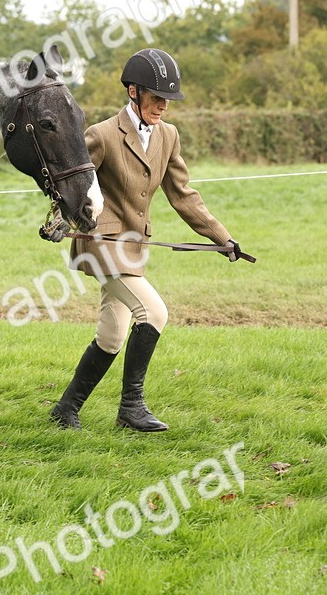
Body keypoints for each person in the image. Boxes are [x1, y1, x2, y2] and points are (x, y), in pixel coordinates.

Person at [48, 48, 245, 432]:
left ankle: (65, 408)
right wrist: (58, 219)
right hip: (101, 243)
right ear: (134, 92)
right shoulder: (102, 135)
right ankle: (131, 408)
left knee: (112, 334)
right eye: (157, 98)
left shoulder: (168, 137)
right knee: (154, 313)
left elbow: (183, 194)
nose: (163, 107)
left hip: (134, 248)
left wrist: (223, 237)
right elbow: (70, 184)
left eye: (168, 100)